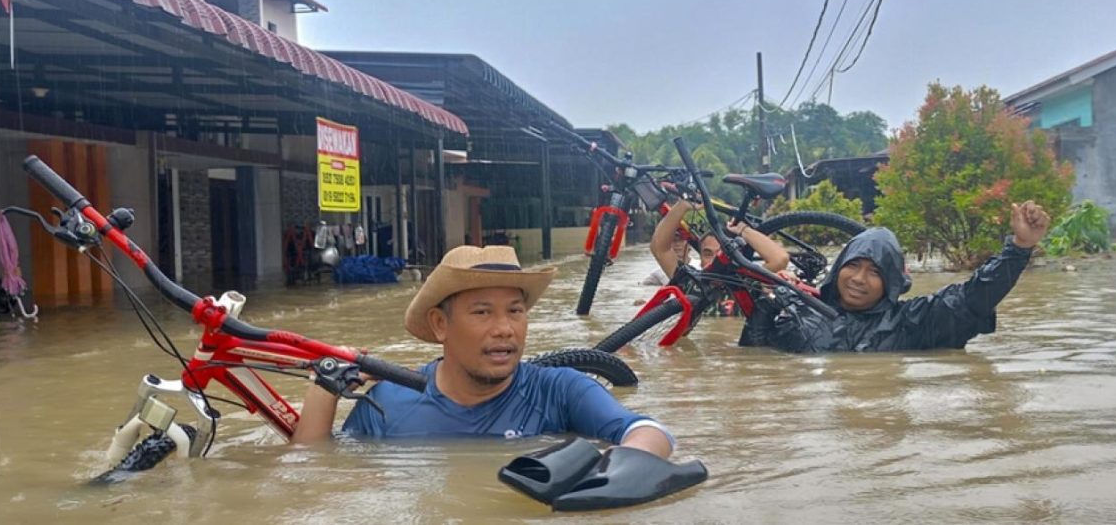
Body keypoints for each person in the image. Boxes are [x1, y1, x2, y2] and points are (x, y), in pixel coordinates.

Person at [291, 245, 675, 459]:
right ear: (440, 324)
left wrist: (606, 476)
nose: (505, 328)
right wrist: (323, 388)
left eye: (515, 311)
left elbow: (648, 432)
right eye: (482, 312)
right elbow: (317, 472)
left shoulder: (560, 390)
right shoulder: (389, 402)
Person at [741, 200, 1051, 352]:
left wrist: (1019, 248)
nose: (859, 279)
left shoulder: (913, 323)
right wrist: (761, 312)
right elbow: (754, 369)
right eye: (853, 266)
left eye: (874, 272)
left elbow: (973, 299)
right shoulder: (797, 313)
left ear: (891, 281)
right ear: (838, 268)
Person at [648, 198, 791, 316]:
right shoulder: (693, 286)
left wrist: (743, 230)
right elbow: (659, 248)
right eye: (708, 253)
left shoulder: (747, 284)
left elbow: (780, 259)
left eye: (721, 253)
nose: (715, 260)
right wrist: (683, 205)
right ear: (701, 258)